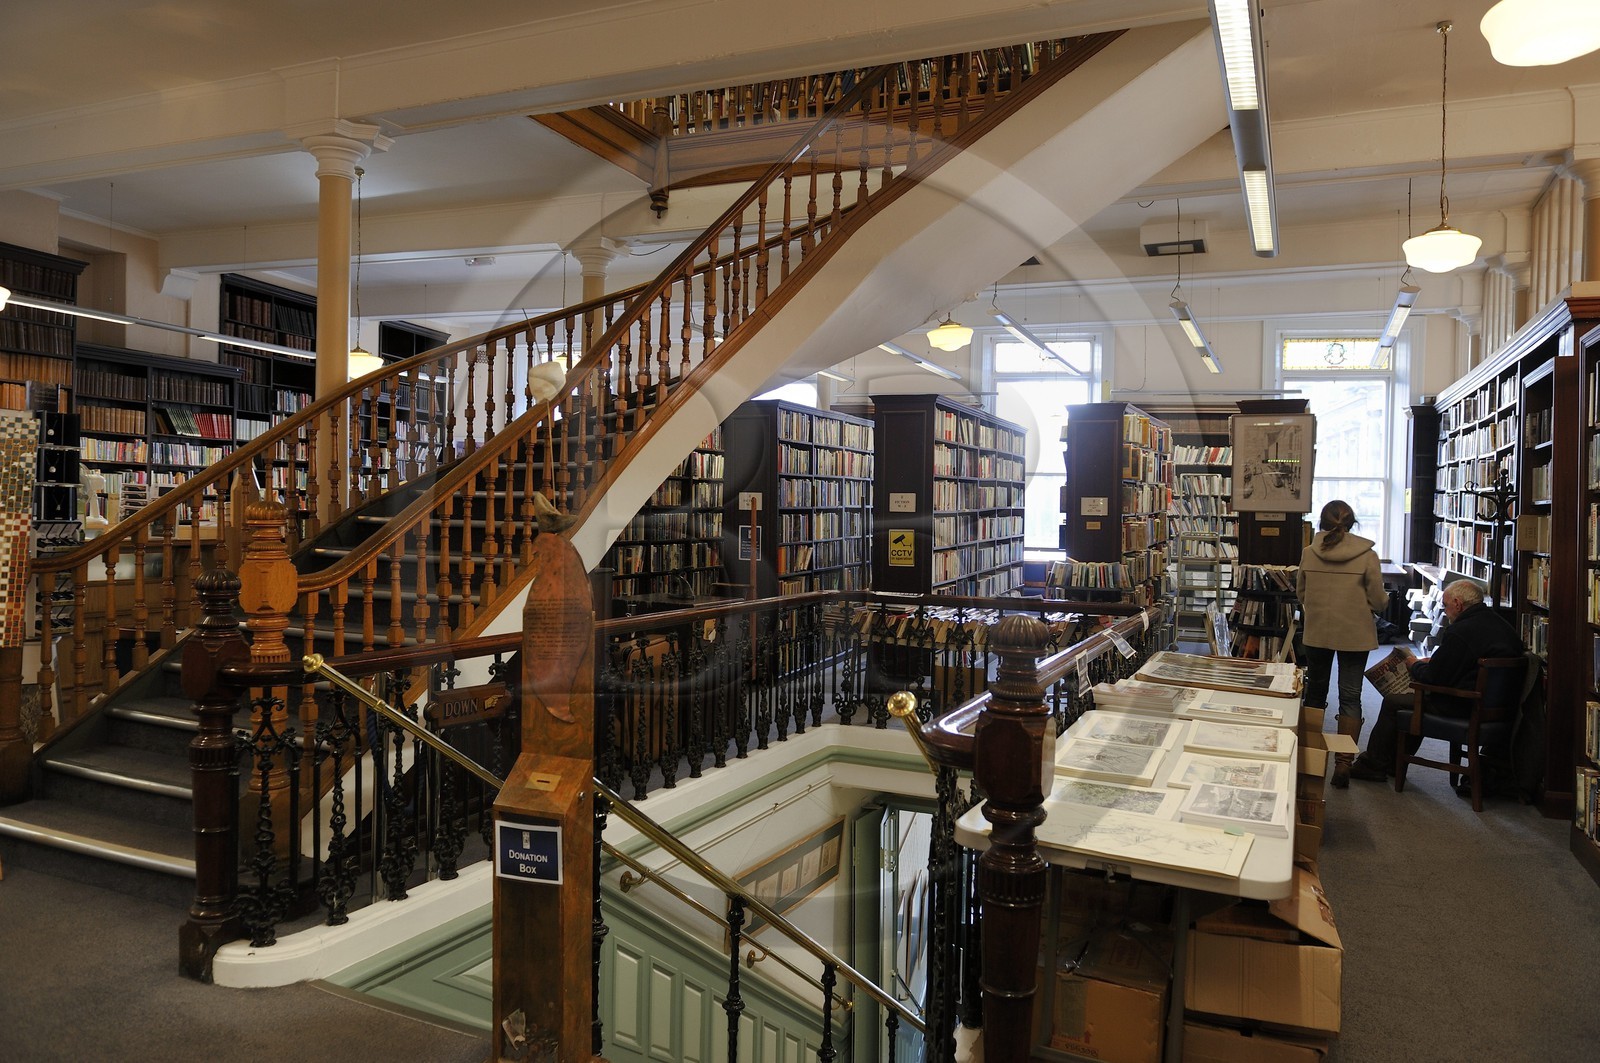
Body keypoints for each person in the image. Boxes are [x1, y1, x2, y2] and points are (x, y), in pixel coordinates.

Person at [1348, 578, 1524, 782]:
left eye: (1445, 605)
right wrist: (1432, 662)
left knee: (1396, 701)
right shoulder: (1500, 624)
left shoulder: (1461, 631)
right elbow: (1463, 661)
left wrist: (1414, 664)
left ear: (1458, 604)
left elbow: (1433, 677)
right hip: (1500, 707)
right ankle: (1393, 763)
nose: (1445, 611)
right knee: (1416, 700)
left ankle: (1373, 764)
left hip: (1465, 705)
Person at [1296, 500, 1388, 788]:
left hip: (1318, 631)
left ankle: (1310, 758)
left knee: (1316, 693)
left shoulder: (1309, 553)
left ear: (1321, 523)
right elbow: (1379, 601)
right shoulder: (1367, 556)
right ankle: (1344, 764)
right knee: (1350, 697)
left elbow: (1301, 593)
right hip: (1355, 634)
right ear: (1352, 523)